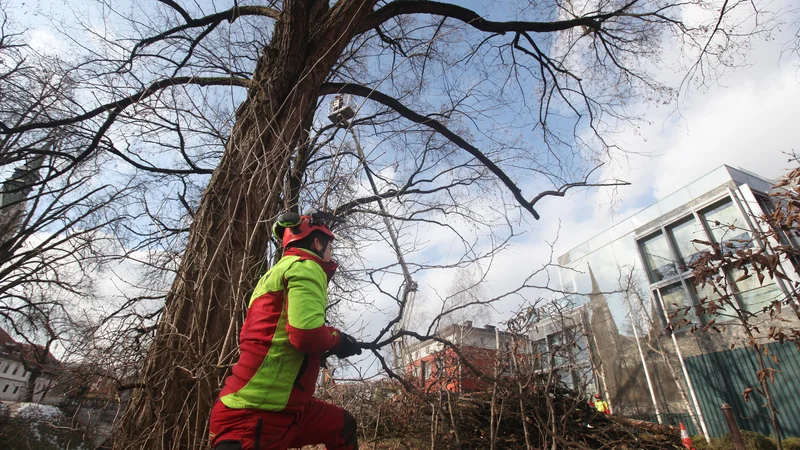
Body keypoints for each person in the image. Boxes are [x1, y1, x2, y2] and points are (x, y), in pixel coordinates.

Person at [209, 211, 363, 450]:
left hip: (285, 410)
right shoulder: (307, 265)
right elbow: (306, 334)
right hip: (254, 416)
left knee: (342, 426)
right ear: (317, 243)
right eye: (329, 245)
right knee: (343, 427)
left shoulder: (274, 274)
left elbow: (274, 337)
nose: (330, 253)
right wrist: (337, 340)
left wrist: (317, 355)